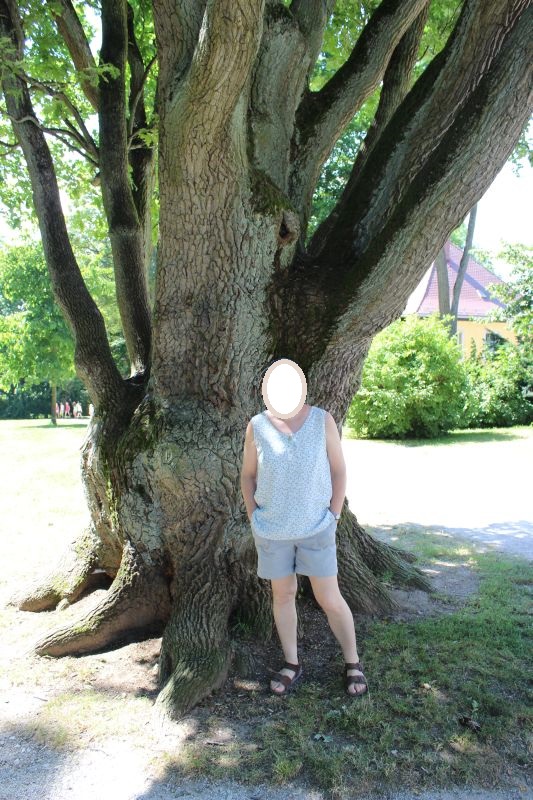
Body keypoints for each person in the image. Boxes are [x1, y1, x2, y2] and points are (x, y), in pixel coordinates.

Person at [240, 361, 368, 699]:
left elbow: (339, 471)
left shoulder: (322, 420)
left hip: (317, 529)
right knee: (282, 595)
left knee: (329, 597)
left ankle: (352, 662)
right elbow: (248, 476)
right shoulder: (257, 426)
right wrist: (254, 517)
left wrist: (334, 515)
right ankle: (292, 663)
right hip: (272, 532)